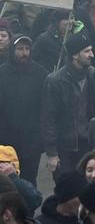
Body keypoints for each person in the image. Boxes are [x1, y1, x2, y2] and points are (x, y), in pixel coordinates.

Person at [42, 33, 95, 177]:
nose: (92, 55)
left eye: (91, 50)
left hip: (88, 146)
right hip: (65, 148)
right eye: (87, 51)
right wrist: (51, 153)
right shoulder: (55, 81)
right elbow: (48, 118)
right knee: (67, 191)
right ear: (75, 55)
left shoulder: (93, 75)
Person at [0, 34, 48, 183]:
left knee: (29, 179)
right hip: (6, 141)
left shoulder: (41, 73)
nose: (24, 53)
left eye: (27, 49)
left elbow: (46, 107)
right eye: (20, 49)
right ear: (12, 50)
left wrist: (41, 138)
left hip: (32, 141)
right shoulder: (2, 73)